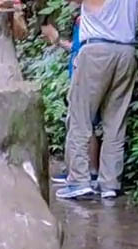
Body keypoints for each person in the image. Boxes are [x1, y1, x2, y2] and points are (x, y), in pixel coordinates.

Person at [56, 0, 138, 200]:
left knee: (81, 116)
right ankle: (110, 183)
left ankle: (79, 179)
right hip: (126, 52)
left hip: (97, 52)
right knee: (116, 120)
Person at [41, 11, 100, 184]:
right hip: (81, 70)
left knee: (83, 123)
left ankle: (87, 173)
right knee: (84, 122)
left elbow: (86, 48)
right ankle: (86, 171)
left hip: (85, 72)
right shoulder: (84, 16)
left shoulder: (89, 17)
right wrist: (57, 40)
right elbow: (76, 47)